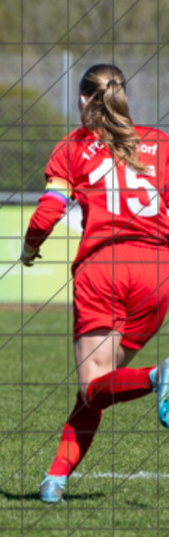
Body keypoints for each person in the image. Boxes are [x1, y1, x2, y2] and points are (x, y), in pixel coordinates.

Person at [20, 64, 169, 504]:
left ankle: (158, 375)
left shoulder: (74, 146)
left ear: (83, 100)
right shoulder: (160, 143)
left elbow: (48, 212)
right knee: (98, 388)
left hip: (104, 269)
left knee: (93, 386)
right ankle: (55, 480)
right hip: (157, 272)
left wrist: (29, 249)